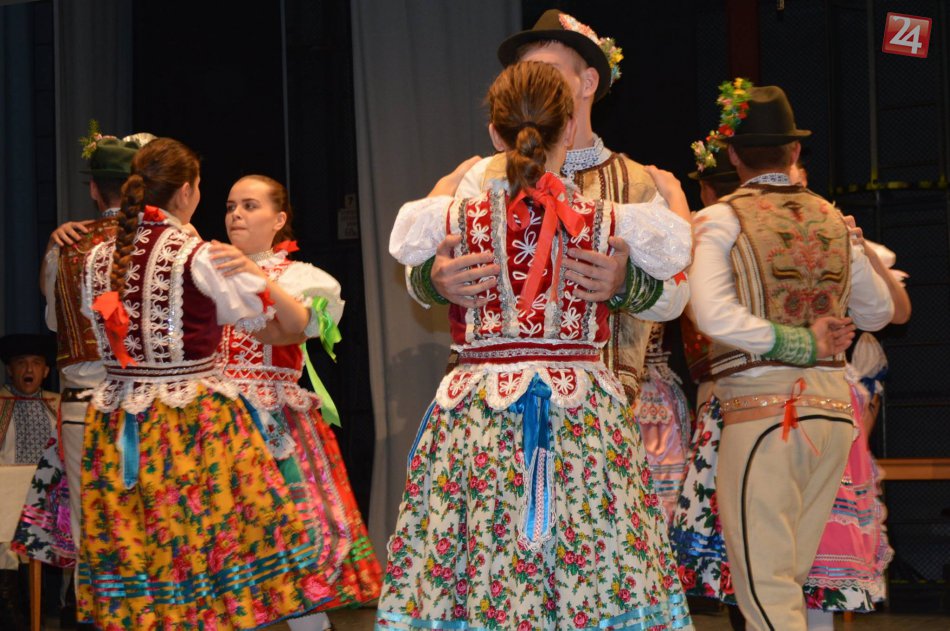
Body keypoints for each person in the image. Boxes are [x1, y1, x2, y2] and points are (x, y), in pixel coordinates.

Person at [379, 60, 694, 630]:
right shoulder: (610, 215)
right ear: (567, 125)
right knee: (592, 565)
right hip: (582, 415)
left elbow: (407, 242)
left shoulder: (459, 205)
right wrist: (437, 279)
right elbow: (676, 249)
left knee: (487, 561)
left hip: (480, 418)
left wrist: (624, 282)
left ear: (495, 131)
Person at [75, 137, 336, 629]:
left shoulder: (96, 257)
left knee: (143, 543)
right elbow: (269, 324)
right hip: (189, 423)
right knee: (210, 538)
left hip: (117, 419)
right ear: (188, 191)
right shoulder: (198, 255)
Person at [408, 10, 690, 408]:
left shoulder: (636, 182)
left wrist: (625, 282)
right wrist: (436, 280)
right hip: (493, 405)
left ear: (588, 82)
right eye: (524, 73)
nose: (534, 82)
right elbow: (418, 266)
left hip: (599, 410)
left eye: (548, 71)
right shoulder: (483, 175)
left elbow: (678, 295)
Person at [688, 84, 894, 630]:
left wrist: (799, 342)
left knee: (766, 588)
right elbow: (877, 311)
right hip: (833, 417)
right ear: (795, 151)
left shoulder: (720, 219)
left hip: (766, 417)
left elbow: (712, 315)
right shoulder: (831, 217)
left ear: (734, 156)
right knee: (788, 581)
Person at [216, 174, 382, 630]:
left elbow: (290, 330)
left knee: (296, 539)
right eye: (231, 206)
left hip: (273, 419)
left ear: (279, 219)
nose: (236, 215)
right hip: (217, 420)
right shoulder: (208, 274)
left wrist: (252, 273)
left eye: (250, 206)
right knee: (227, 544)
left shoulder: (299, 277)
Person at [28, 125, 153, 629]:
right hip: (146, 401)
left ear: (94, 188)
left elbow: (54, 321)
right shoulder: (162, 241)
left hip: (83, 405)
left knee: (88, 522)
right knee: (148, 515)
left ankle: (96, 617)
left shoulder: (66, 247)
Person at [0, 334, 58, 630]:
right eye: (21, 363)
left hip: (49, 496)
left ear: (46, 371)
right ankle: (13, 618)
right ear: (10, 370)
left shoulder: (57, 405)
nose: (29, 369)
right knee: (6, 551)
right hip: (6, 497)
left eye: (36, 363)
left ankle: (49, 611)